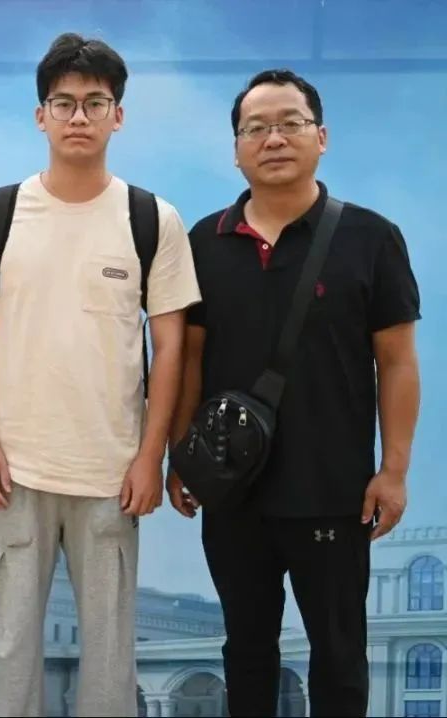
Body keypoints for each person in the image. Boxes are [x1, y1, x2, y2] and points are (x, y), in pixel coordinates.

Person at [0, 32, 201, 716]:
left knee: (111, 660)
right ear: (41, 116)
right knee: (10, 654)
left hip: (111, 475)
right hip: (16, 471)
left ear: (119, 115)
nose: (79, 116)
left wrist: (151, 456)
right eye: (63, 103)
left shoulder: (151, 219)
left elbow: (170, 347)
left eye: (95, 102)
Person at [167, 69, 421, 717]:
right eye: (255, 128)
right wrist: (180, 453)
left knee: (339, 657)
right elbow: (186, 359)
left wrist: (393, 470)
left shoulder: (371, 238)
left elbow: (396, 362)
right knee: (246, 653)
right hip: (233, 491)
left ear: (321, 137)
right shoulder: (203, 243)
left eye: (290, 124)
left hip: (334, 492)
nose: (273, 139)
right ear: (236, 149)